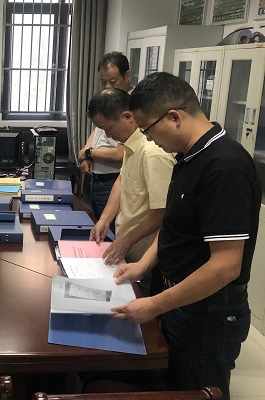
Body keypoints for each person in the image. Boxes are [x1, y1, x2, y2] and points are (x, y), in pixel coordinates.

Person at [112, 72, 260, 400]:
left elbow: (225, 266)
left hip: (208, 310)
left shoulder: (225, 166)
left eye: (148, 130)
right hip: (181, 299)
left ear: (174, 117)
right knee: (175, 385)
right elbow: (175, 224)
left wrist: (154, 304)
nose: (149, 140)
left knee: (199, 390)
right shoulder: (188, 156)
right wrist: (143, 265)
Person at [87, 88, 175, 270]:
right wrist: (104, 219)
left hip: (146, 258)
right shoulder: (131, 144)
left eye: (108, 129)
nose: (108, 136)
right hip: (127, 250)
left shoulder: (152, 153)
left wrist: (128, 240)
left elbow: (163, 211)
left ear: (127, 116)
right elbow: (121, 181)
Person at [78, 52, 132, 221]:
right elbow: (97, 130)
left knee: (109, 229)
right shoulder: (106, 100)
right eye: (103, 81)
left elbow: (121, 153)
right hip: (97, 177)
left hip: (113, 179)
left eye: (113, 81)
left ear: (126, 76)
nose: (107, 87)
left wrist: (89, 152)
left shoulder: (130, 105)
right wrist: (87, 154)